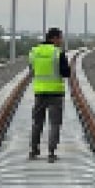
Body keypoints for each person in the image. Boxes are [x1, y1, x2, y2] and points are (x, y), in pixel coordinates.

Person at [29, 27, 70, 162]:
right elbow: (66, 73)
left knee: (37, 123)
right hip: (56, 93)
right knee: (54, 124)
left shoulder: (34, 52)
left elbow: (32, 70)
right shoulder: (58, 53)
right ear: (53, 38)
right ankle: (51, 153)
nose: (61, 41)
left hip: (39, 93)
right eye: (60, 38)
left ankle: (34, 150)